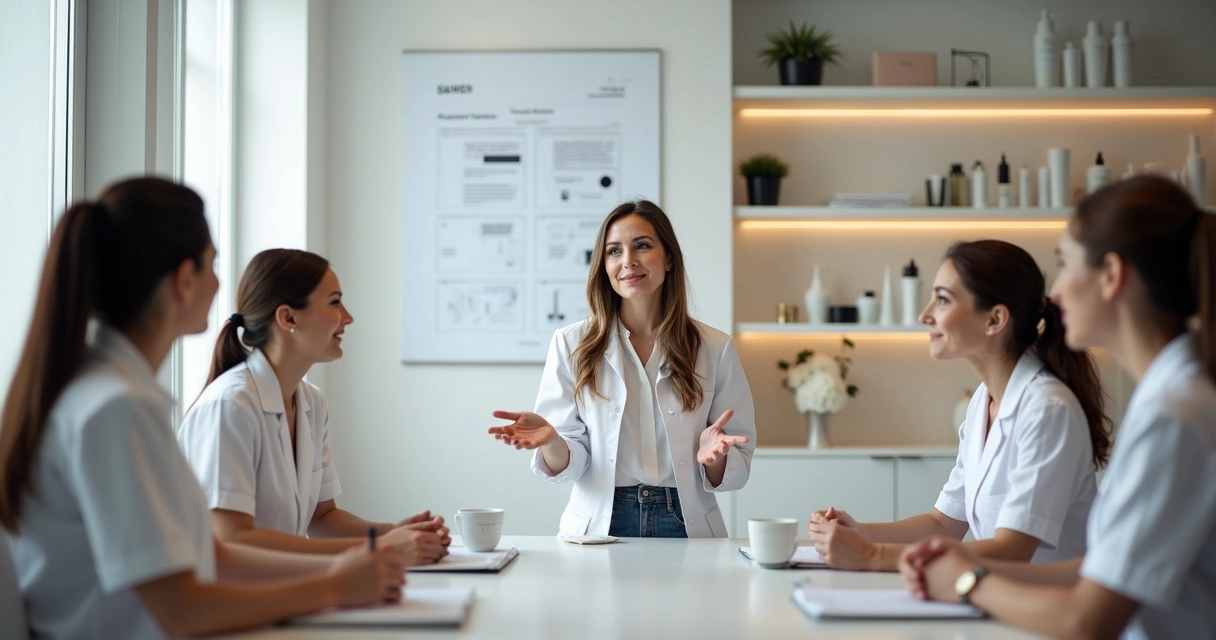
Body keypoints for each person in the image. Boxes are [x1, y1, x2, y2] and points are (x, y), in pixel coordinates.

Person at [0, 178, 404, 639]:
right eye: (212, 263)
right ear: (183, 279)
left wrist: (356, 562)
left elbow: (210, 554)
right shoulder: (117, 408)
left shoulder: (109, 394)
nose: (219, 282)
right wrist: (332, 587)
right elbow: (180, 609)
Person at [900, 175, 1216, 639]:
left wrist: (968, 582)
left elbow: (1088, 619)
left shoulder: (1174, 415)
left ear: (1111, 275)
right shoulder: (1169, 400)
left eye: (1065, 266)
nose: (1058, 293)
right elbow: (1098, 572)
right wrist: (957, 564)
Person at [807, 239, 1111, 571]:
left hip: (1044, 613)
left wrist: (871, 557)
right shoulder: (983, 400)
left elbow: (1012, 550)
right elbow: (943, 524)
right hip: (995, 604)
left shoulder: (1048, 410)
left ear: (994, 319)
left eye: (942, 300)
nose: (925, 316)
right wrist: (860, 533)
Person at [488, 200, 755, 538]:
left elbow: (739, 466)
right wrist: (553, 441)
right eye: (614, 251)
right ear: (603, 265)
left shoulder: (716, 347)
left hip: (686, 523)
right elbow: (568, 467)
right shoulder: (571, 344)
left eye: (642, 246)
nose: (628, 261)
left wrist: (713, 457)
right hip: (601, 523)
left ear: (669, 258)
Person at [177, 248, 449, 564]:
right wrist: (380, 549)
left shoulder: (311, 402)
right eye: (334, 302)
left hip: (281, 589)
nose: (348, 317)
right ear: (288, 318)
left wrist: (390, 533)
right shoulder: (229, 406)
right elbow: (232, 538)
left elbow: (322, 519)